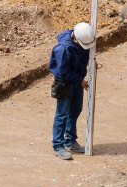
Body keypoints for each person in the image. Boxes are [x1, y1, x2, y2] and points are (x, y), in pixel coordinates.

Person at [49, 22, 95, 160]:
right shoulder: (63, 49)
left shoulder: (83, 38)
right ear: (75, 39)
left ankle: (70, 141)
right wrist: (80, 80)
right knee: (62, 114)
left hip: (77, 80)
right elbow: (63, 72)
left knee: (75, 110)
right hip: (65, 82)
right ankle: (58, 146)